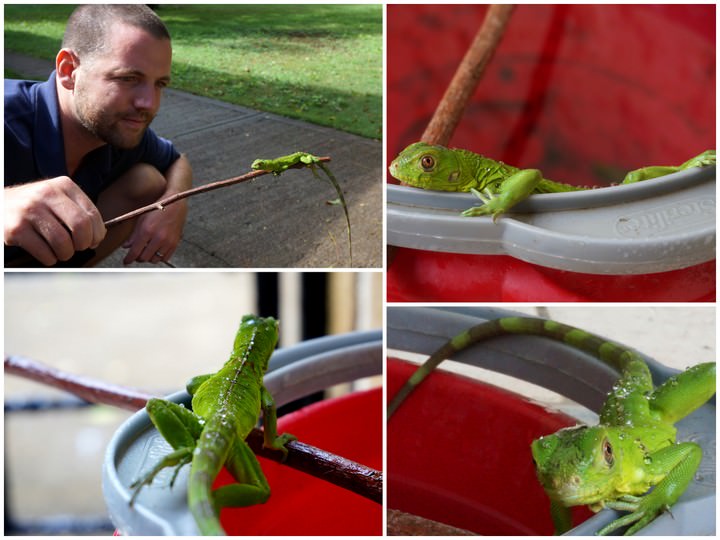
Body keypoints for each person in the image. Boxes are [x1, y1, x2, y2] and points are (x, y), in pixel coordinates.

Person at [4, 4, 192, 267]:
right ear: (69, 70)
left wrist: (174, 205)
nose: (149, 103)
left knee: (148, 180)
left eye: (159, 84)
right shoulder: (7, 117)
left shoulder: (116, 127)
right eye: (128, 78)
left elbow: (177, 160)